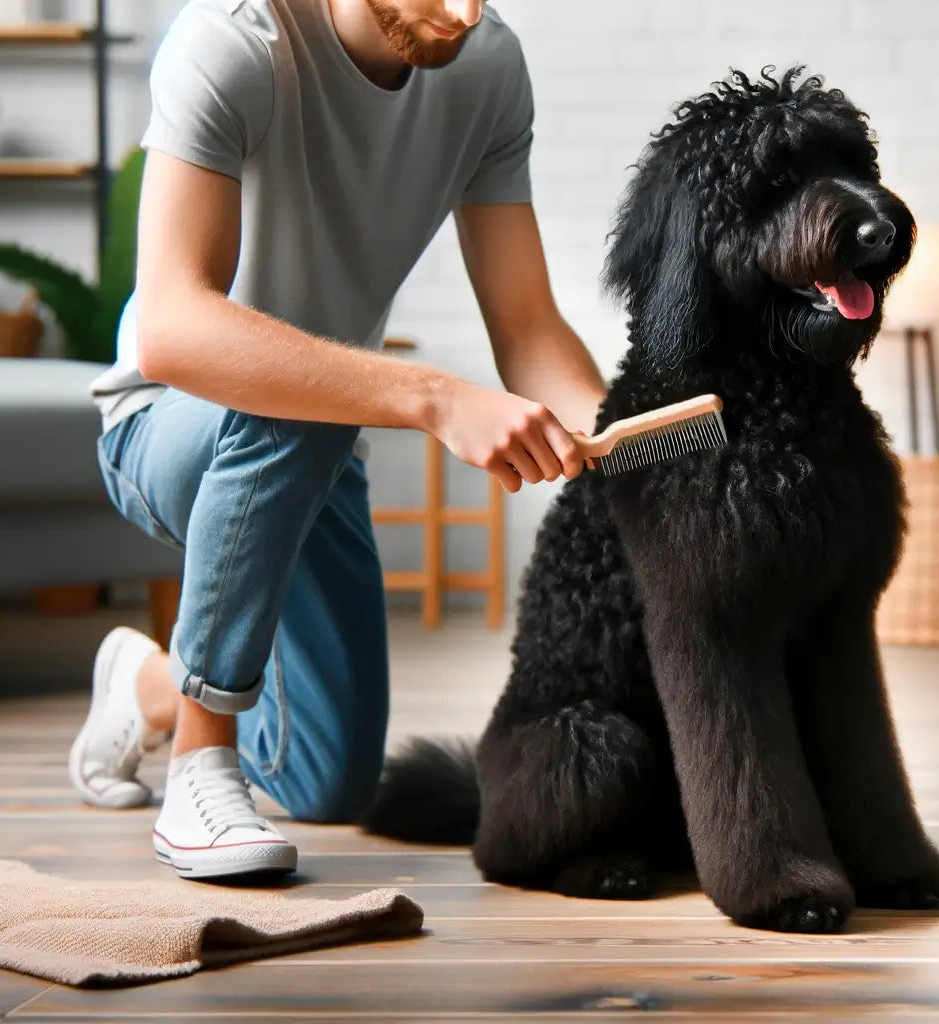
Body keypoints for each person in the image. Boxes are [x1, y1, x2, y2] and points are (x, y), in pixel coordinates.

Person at [69, 0, 607, 881]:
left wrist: (614, 431)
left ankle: (150, 686)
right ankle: (201, 763)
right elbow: (171, 326)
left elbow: (527, 322)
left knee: (331, 784)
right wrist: (434, 398)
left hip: (312, 450)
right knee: (293, 398)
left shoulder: (487, 66)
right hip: (165, 423)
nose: (463, 13)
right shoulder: (233, 43)